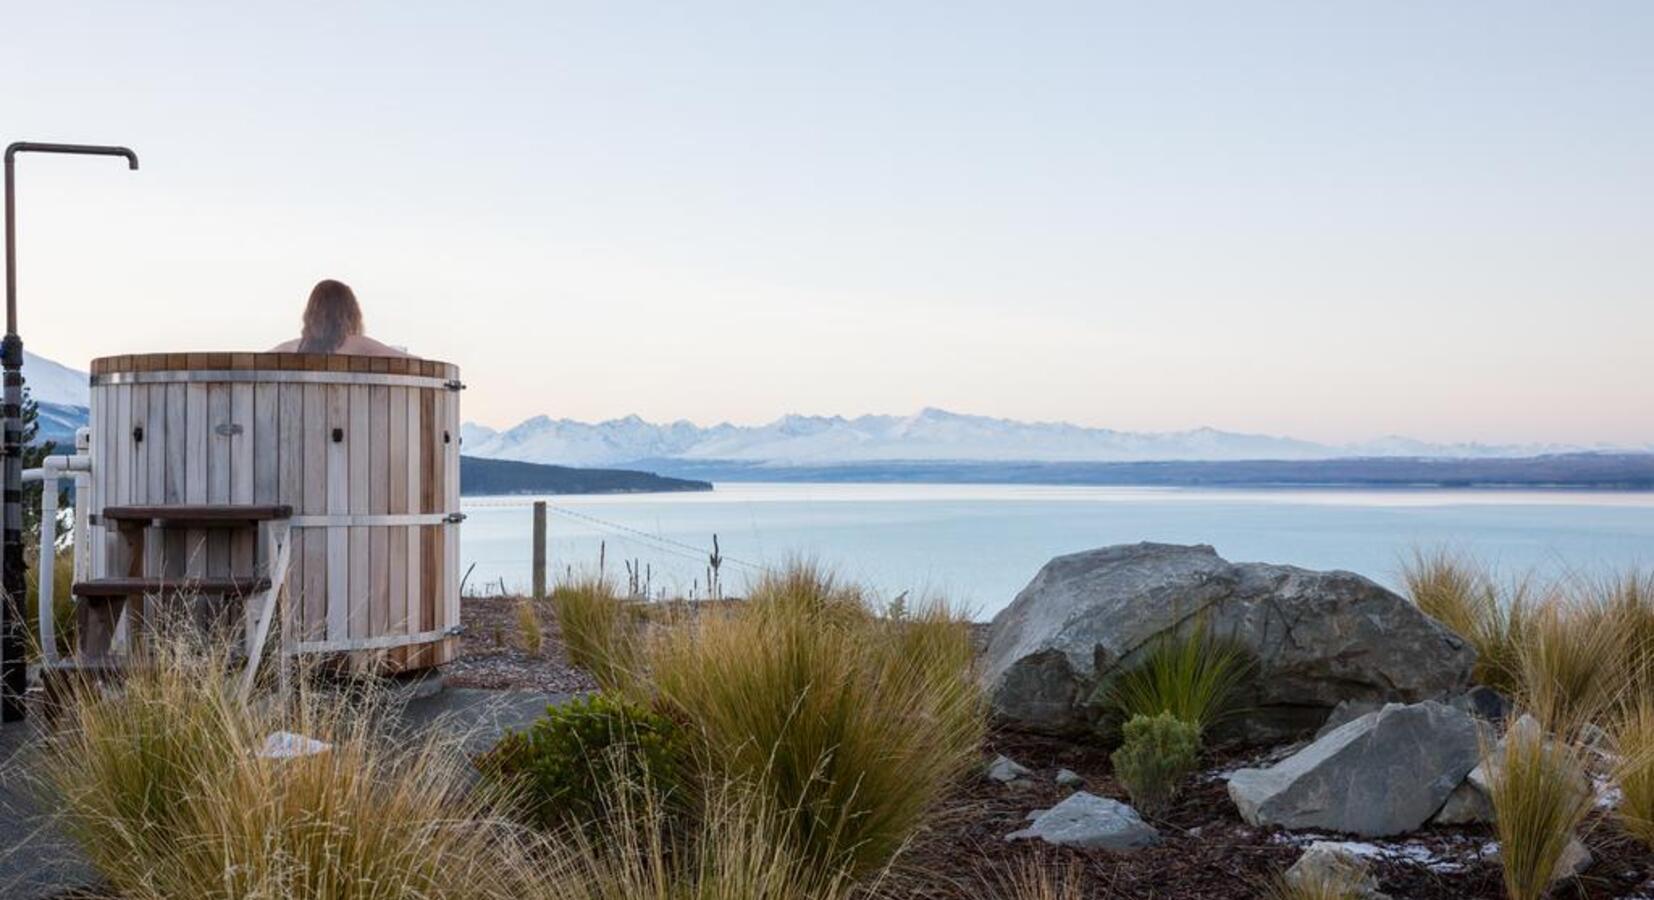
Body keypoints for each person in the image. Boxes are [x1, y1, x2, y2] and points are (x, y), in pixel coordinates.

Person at [270, 279, 414, 357]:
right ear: (350, 312)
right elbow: (412, 362)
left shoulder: (294, 347)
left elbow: (260, 359)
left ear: (311, 313)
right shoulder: (356, 344)